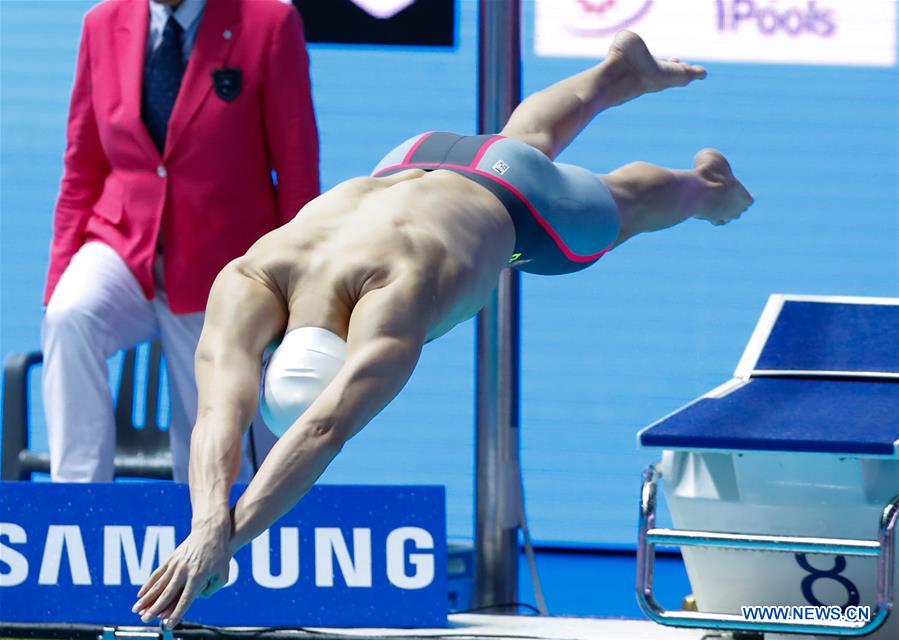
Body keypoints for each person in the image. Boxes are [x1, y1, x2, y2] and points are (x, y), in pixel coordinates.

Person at [133, 31, 753, 626]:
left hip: (521, 203)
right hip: (416, 157)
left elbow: (321, 428)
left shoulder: (378, 292)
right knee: (521, 140)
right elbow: (219, 414)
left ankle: (706, 187)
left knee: (616, 208)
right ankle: (616, 73)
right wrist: (209, 527)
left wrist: (224, 539)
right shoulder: (255, 274)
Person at [41, 0, 319, 482]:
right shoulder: (102, 23)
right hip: (125, 246)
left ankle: (211, 543)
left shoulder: (269, 22)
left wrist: (298, 296)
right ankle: (80, 505)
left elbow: (297, 169)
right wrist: (56, 280)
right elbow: (81, 169)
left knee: (211, 454)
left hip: (223, 265)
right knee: (70, 316)